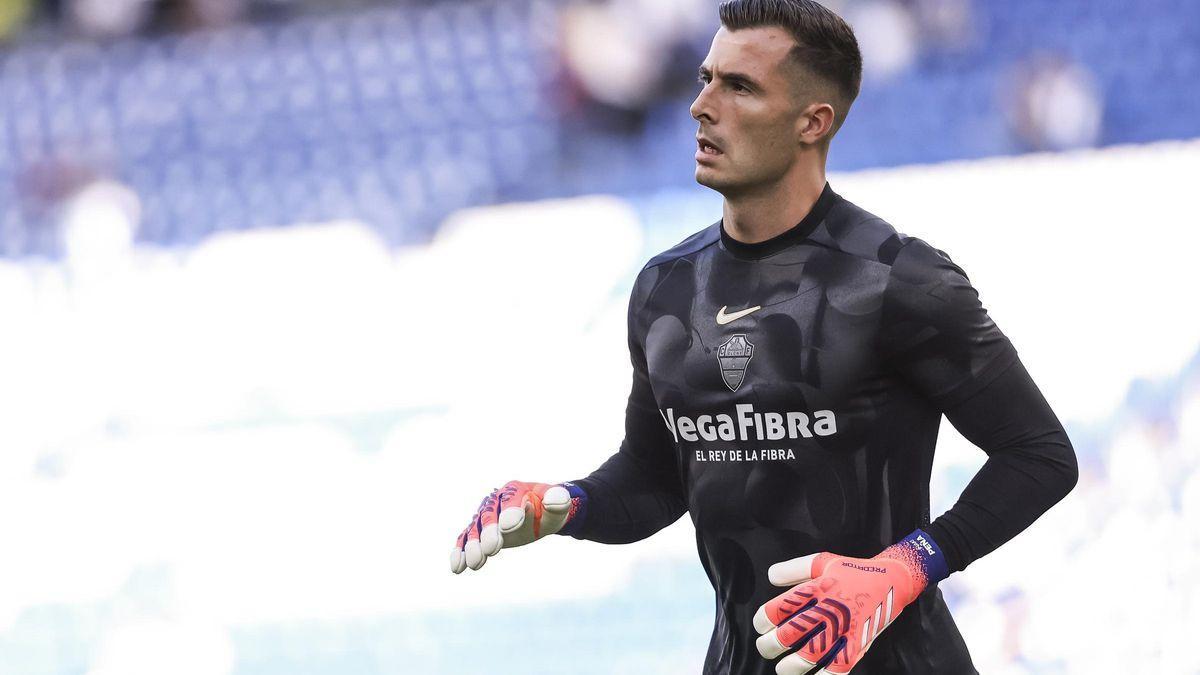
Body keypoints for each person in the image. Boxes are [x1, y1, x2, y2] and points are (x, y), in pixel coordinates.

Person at [449, 1, 1078, 673]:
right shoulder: (666, 290)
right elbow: (657, 479)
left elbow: (1040, 455)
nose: (702, 105)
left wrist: (907, 566)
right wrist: (567, 504)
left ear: (813, 122)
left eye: (739, 86)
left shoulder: (899, 279)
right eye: (705, 78)